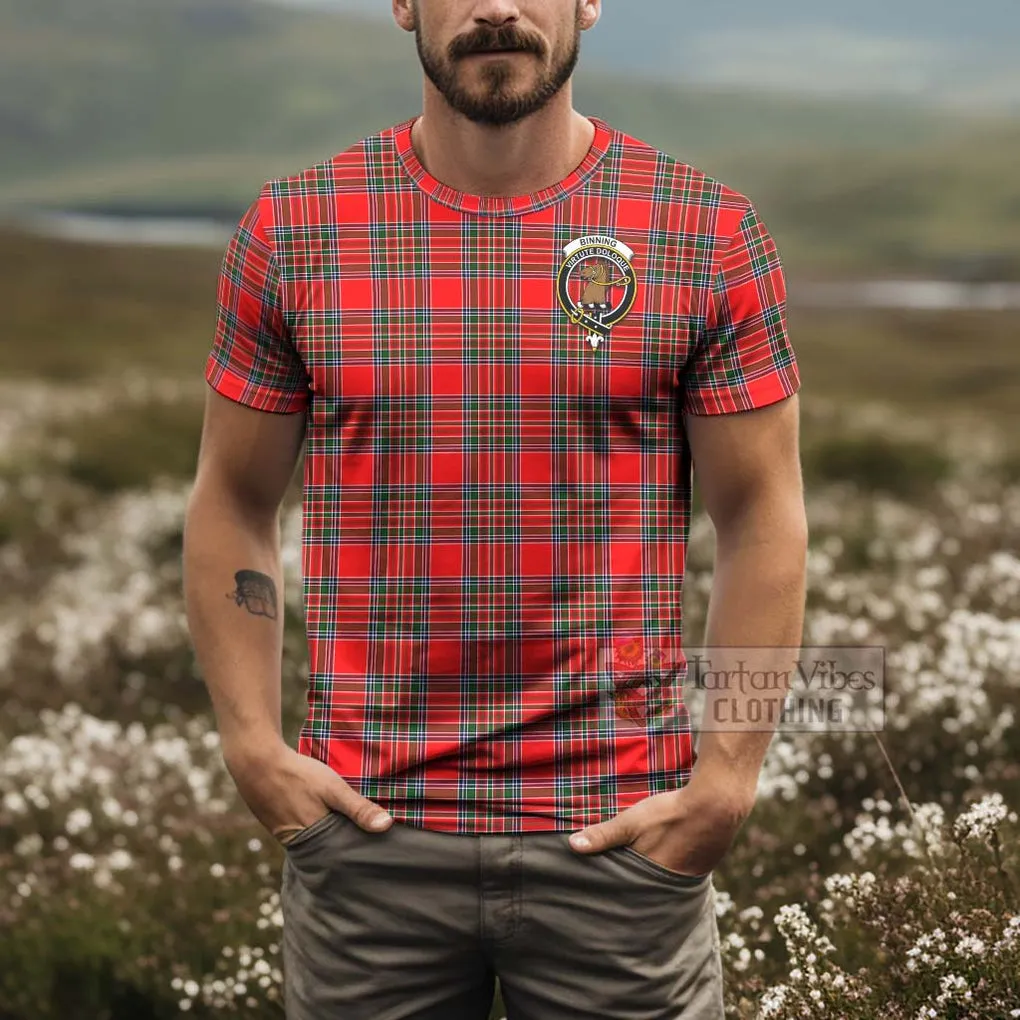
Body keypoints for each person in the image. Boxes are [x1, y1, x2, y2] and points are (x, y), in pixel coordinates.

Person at [182, 1, 808, 1016]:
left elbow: (762, 516)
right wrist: (253, 747)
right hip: (367, 849)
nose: (497, 9)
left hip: (621, 846)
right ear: (403, 5)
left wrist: (728, 779)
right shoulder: (292, 229)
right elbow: (232, 497)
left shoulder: (707, 231)